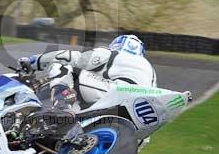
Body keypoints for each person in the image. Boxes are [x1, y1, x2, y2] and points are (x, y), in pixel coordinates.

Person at [19, 34, 157, 113]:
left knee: (62, 66)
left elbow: (74, 58)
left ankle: (61, 108)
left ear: (116, 45)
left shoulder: (112, 53)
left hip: (117, 93)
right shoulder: (151, 71)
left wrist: (35, 61)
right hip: (138, 109)